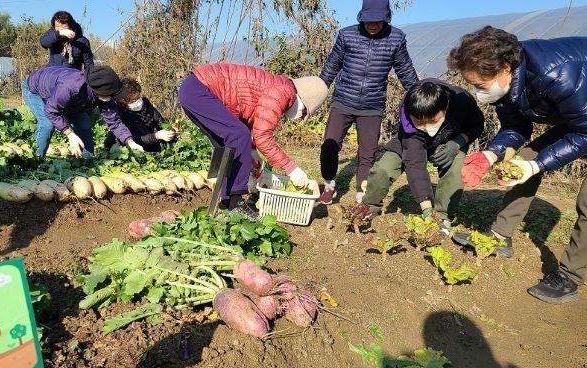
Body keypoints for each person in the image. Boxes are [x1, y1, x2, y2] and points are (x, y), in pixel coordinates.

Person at [447, 26, 587, 304]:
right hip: (581, 118)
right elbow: (516, 126)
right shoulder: (510, 80)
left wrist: (537, 166)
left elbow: (585, 134)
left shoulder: (559, 75)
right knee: (523, 159)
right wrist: (492, 154)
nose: (478, 94)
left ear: (505, 68)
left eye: (480, 86)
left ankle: (570, 276)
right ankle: (500, 236)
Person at [178, 63, 329, 220]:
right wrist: (292, 169)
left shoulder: (278, 87)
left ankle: (226, 201)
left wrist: (254, 160)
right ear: (303, 100)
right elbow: (262, 137)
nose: (301, 117)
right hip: (199, 90)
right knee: (238, 135)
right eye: (304, 112)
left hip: (193, 89)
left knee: (230, 141)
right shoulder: (283, 92)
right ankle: (235, 203)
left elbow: (249, 128)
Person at [318, 0, 418, 205]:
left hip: (372, 105)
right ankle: (329, 185)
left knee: (367, 153)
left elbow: (405, 70)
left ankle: (361, 193)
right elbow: (331, 67)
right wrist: (316, 93)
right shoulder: (347, 35)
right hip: (343, 100)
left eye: (377, 21)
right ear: (361, 17)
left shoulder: (396, 38)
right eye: (368, 20)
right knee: (330, 145)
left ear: (386, 17)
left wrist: (421, 96)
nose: (372, 25)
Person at [355, 79, 484, 232]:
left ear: (446, 107)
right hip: (411, 142)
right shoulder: (410, 117)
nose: (426, 127)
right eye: (420, 122)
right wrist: (426, 208)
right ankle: (369, 206)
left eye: (433, 121)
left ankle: (442, 215)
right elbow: (415, 164)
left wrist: (457, 143)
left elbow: (477, 125)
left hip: (450, 142)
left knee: (455, 172)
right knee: (384, 168)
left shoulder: (462, 101)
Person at [22, 64, 142, 158]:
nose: (112, 98)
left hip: (70, 101)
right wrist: (70, 134)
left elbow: (114, 121)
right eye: (111, 95)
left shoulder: (104, 92)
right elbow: (51, 111)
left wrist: (130, 141)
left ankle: (87, 159)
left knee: (84, 123)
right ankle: (34, 161)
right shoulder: (70, 87)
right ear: (99, 91)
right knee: (47, 125)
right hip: (35, 89)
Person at [104, 77, 177, 152]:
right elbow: (134, 139)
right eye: (132, 100)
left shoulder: (145, 103)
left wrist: (170, 131)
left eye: (138, 97)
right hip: (129, 148)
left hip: (150, 143)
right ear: (122, 101)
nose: (137, 101)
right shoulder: (120, 113)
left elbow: (159, 121)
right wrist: (157, 136)